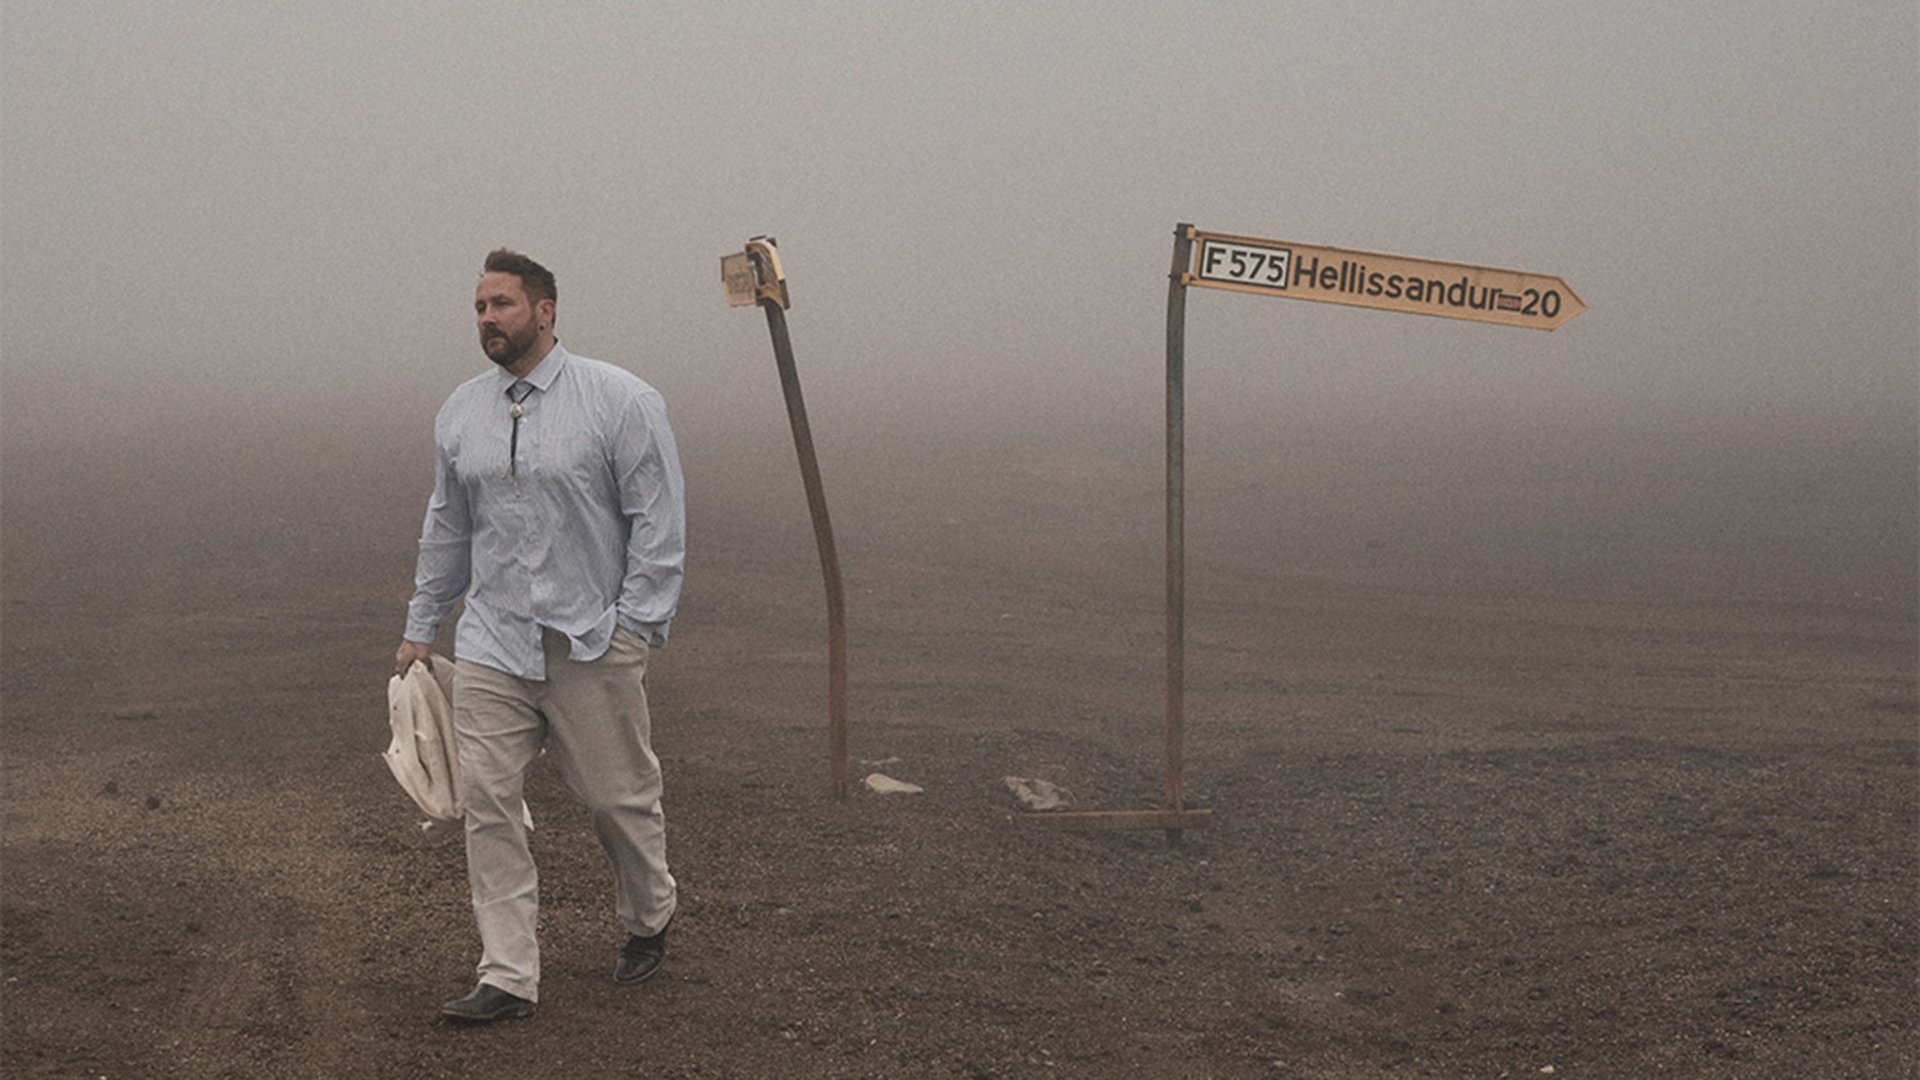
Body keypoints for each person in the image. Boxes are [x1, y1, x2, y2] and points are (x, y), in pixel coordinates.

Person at [395, 248, 685, 1024]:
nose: (487, 319)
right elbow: (448, 525)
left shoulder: (620, 400)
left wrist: (635, 626)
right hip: (493, 642)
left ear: (546, 311)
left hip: (589, 640)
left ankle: (649, 915)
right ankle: (507, 974)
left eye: (502, 305)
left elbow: (658, 520)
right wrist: (423, 625)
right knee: (488, 801)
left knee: (616, 799)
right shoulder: (462, 412)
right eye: (480, 307)